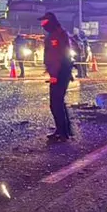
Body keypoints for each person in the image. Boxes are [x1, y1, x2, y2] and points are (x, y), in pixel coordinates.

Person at [40, 12, 74, 142]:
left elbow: (56, 57)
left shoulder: (56, 36)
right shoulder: (60, 33)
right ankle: (64, 131)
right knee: (59, 102)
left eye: (44, 22)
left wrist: (54, 74)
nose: (42, 25)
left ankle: (62, 133)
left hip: (59, 73)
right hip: (63, 71)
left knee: (55, 104)